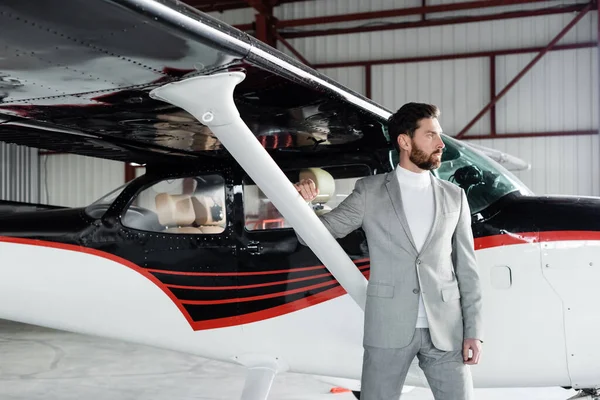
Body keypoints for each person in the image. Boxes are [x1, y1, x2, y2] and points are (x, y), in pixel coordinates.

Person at [294, 103, 483, 400]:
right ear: (405, 142)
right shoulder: (369, 191)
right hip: (388, 328)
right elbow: (316, 236)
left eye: (440, 135)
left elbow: (467, 270)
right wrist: (302, 206)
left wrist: (473, 331)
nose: (440, 143)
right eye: (431, 135)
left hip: (446, 331)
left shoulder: (455, 196)